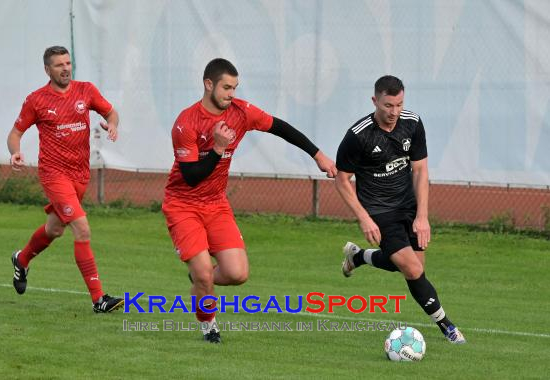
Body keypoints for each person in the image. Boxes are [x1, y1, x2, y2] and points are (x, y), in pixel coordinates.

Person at [163, 58, 337, 343]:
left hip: (216, 204)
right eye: (226, 87)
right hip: (183, 204)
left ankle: (198, 280)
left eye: (235, 87)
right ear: (208, 85)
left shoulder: (241, 112)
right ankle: (209, 327)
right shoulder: (186, 123)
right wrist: (218, 148)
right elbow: (192, 176)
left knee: (237, 273)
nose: (232, 94)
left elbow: (280, 127)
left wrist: (317, 155)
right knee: (206, 273)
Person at [335, 75, 466, 343]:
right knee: (413, 270)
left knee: (409, 267)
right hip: (379, 212)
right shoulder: (358, 136)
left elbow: (420, 169)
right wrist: (363, 218)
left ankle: (358, 257)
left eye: (399, 104)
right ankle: (447, 326)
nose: (394, 112)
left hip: (409, 206)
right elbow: (341, 179)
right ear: (375, 101)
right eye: (388, 106)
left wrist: (423, 216)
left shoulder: (412, 124)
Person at [7, 46, 124, 313]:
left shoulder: (86, 90)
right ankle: (99, 299)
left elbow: (110, 112)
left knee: (55, 229)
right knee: (82, 228)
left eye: (68, 63)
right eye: (59, 65)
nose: (65, 68)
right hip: (54, 174)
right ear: (47, 70)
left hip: (80, 175)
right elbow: (15, 133)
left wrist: (113, 124)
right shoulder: (36, 100)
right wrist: (15, 152)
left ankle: (22, 260)